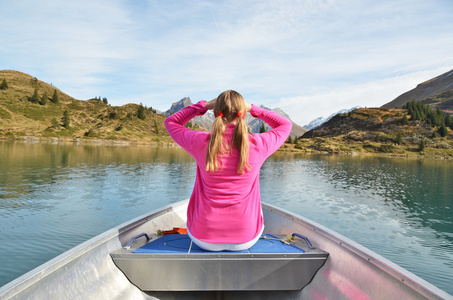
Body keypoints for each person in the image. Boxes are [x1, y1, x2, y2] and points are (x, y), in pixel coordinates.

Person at [164, 90, 292, 251]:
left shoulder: (200, 141)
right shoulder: (259, 144)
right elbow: (285, 125)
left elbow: (171, 122)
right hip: (246, 239)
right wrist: (253, 108)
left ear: (216, 112)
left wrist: (203, 105)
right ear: (243, 114)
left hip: (203, 238)